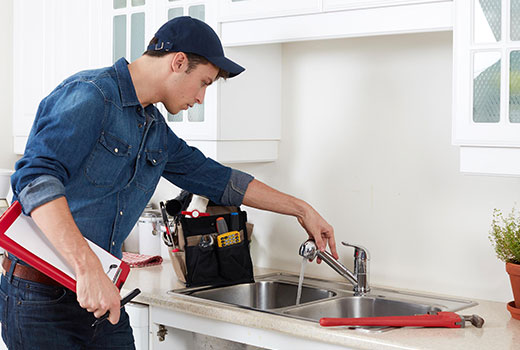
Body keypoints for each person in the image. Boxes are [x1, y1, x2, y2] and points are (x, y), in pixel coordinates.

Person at [1, 16, 337, 349]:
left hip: (102, 296)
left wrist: (301, 209)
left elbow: (219, 180)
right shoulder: (91, 96)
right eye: (204, 82)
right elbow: (35, 179)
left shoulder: (153, 129)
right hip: (41, 299)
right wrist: (87, 267)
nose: (202, 97)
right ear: (178, 62)